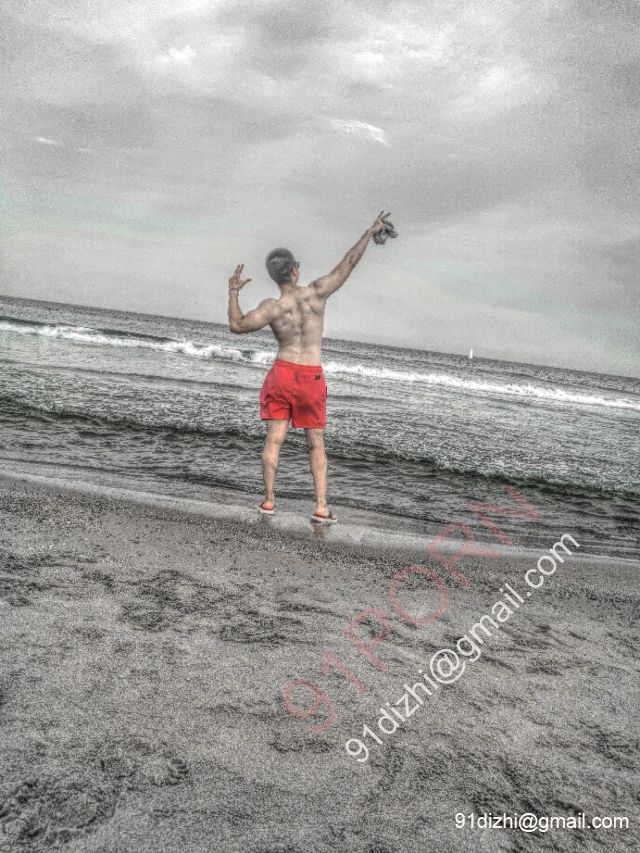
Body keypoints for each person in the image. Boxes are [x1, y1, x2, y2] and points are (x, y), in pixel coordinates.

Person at [227, 210, 391, 524]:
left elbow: (237, 325)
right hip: (310, 377)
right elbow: (348, 263)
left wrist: (233, 290)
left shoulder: (272, 307)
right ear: (294, 271)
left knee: (274, 439)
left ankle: (269, 501)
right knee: (316, 443)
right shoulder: (316, 293)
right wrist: (369, 232)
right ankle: (320, 507)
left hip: (281, 374)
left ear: (275, 276)